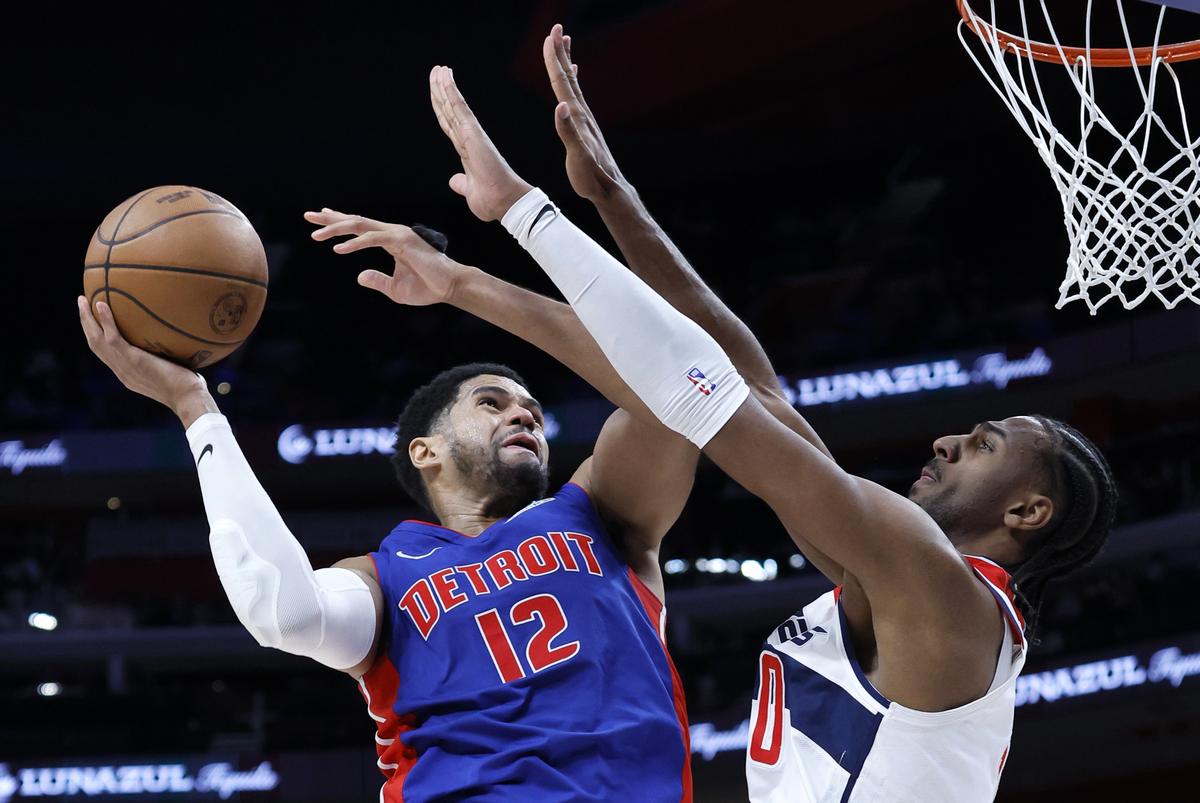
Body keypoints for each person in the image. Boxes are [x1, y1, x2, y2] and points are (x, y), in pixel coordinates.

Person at [316, 26, 1118, 802]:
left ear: (1028, 509)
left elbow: (704, 397)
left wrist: (522, 219)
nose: (949, 439)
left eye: (983, 444)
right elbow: (746, 382)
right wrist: (612, 195)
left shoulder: (933, 587)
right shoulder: (891, 571)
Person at [78, 214, 702, 801]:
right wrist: (196, 409)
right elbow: (286, 613)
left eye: (532, 412)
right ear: (424, 450)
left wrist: (464, 286)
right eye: (491, 402)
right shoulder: (388, 575)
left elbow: (672, 383)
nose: (523, 415)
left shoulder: (598, 513)